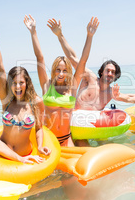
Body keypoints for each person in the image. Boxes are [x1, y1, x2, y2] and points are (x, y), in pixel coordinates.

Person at [24, 15, 99, 146]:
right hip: (48, 139)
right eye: (58, 70)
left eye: (65, 71)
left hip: (66, 139)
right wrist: (33, 32)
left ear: (68, 72)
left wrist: (89, 36)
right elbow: (40, 57)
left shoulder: (73, 87)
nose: (61, 74)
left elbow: (83, 61)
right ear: (53, 70)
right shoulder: (47, 85)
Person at [0, 20, 51, 160]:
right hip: (3, 154)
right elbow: (0, 68)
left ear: (27, 83)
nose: (17, 87)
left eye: (21, 83)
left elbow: (38, 128)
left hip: (26, 154)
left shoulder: (35, 102)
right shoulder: (6, 99)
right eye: (14, 83)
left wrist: (39, 147)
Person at [48, 18, 121, 111]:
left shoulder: (112, 93)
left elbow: (130, 97)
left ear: (115, 76)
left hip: (92, 123)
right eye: (108, 70)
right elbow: (73, 58)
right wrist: (60, 35)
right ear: (102, 72)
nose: (110, 74)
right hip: (75, 120)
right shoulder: (90, 77)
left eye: (113, 72)